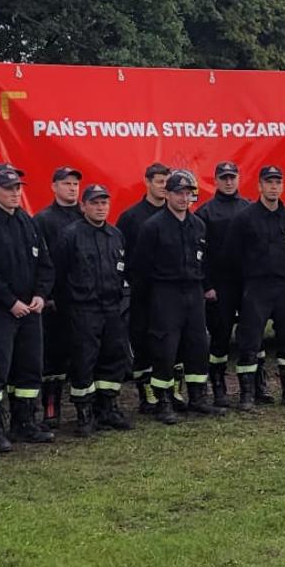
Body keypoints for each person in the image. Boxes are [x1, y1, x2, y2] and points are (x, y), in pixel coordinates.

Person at [0, 164, 56, 452]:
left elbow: (44, 262)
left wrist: (41, 294)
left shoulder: (26, 221)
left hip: (31, 309)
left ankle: (25, 422)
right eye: (9, 189)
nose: (15, 193)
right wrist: (10, 302)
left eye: (18, 188)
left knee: (29, 368)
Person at [133, 170, 222, 424]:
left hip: (193, 292)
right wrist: (153, 298)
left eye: (188, 194)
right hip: (165, 293)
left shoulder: (198, 225)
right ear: (167, 194)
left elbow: (205, 261)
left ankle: (198, 397)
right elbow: (142, 267)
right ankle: (164, 402)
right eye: (178, 193)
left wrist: (206, 286)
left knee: (197, 344)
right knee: (165, 348)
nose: (184, 199)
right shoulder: (153, 227)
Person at [51, 184, 135, 435]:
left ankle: (107, 407)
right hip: (83, 309)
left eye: (104, 203)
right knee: (84, 361)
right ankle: (84, 413)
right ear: (83, 206)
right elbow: (59, 275)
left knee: (113, 358)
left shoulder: (115, 235)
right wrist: (68, 307)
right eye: (95, 203)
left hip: (112, 308)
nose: (100, 208)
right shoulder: (70, 235)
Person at [231, 165, 285, 410]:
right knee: (250, 340)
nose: (273, 186)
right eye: (269, 182)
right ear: (259, 186)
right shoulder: (245, 218)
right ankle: (247, 394)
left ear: (282, 186)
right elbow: (233, 253)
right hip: (256, 286)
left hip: (283, 284)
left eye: (277, 182)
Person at [116, 162, 171, 412]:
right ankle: (146, 394)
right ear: (147, 182)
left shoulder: (177, 215)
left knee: (170, 343)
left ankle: (169, 393)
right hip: (142, 291)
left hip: (170, 293)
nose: (163, 187)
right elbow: (120, 253)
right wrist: (135, 279)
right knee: (142, 341)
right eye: (159, 182)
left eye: (166, 182)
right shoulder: (131, 217)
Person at [34, 165, 86, 430]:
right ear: (54, 187)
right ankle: (51, 407)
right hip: (56, 301)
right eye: (66, 183)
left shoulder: (85, 215)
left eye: (75, 184)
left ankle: (84, 409)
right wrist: (47, 295)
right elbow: (42, 262)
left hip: (84, 300)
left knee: (82, 355)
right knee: (54, 358)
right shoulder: (43, 220)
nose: (72, 188)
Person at [198, 161, 251, 407]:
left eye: (232, 177)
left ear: (238, 179)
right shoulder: (205, 213)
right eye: (224, 178)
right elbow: (200, 255)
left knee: (252, 337)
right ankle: (218, 386)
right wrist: (207, 285)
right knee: (220, 338)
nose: (229, 182)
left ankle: (253, 386)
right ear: (216, 180)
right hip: (220, 287)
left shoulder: (250, 208)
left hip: (247, 285)